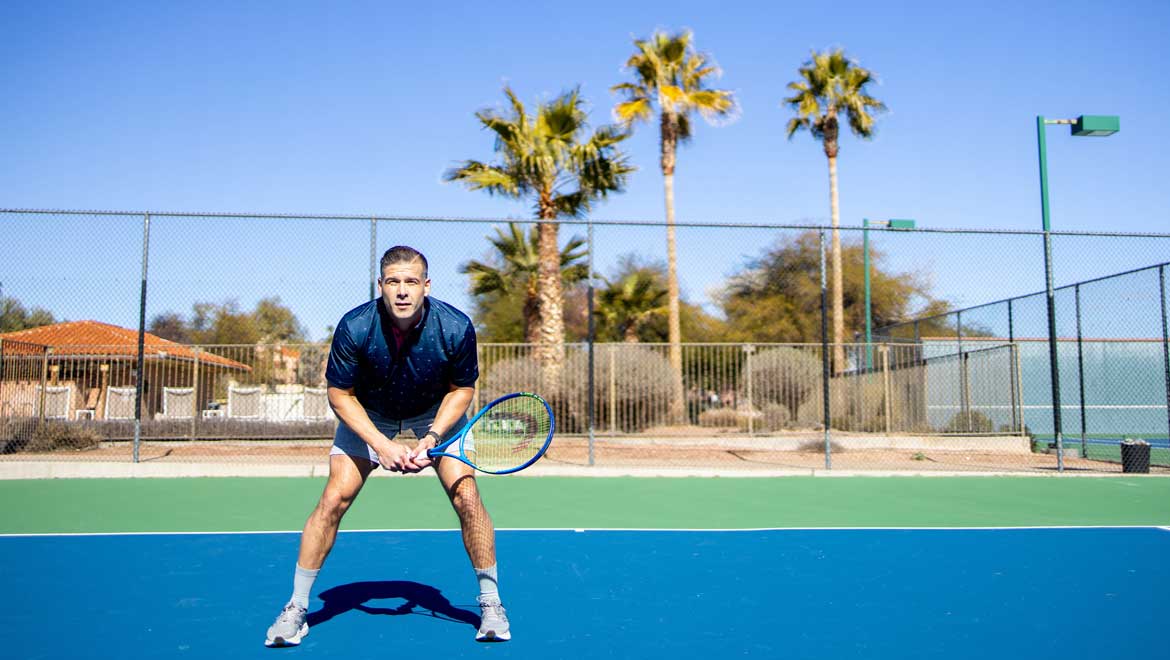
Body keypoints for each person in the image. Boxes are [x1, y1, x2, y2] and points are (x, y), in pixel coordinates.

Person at [265, 246, 510, 646]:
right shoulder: (355, 326)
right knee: (334, 499)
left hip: (435, 412)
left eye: (411, 282)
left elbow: (462, 389)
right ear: (380, 285)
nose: (401, 291)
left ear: (426, 286)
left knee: (467, 496)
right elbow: (339, 394)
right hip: (370, 411)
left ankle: (491, 604)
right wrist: (380, 444)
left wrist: (431, 439)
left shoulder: (456, 326)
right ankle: (296, 607)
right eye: (393, 282)